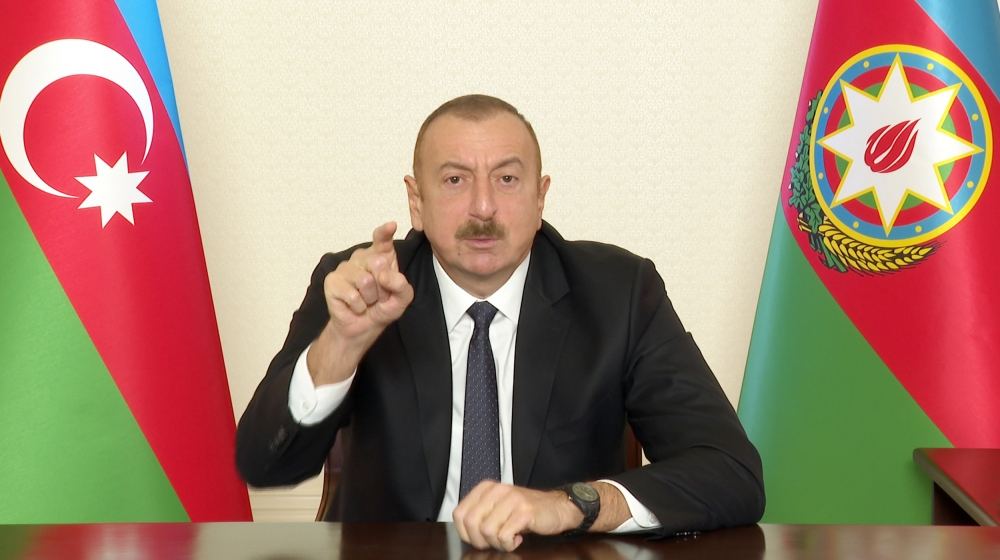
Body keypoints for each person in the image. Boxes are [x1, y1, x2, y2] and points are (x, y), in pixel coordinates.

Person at [236, 94, 764, 551]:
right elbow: (264, 464)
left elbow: (731, 473)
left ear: (540, 196)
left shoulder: (618, 293)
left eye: (507, 179)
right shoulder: (360, 284)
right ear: (417, 201)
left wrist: (573, 504)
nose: (483, 207)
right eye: (455, 180)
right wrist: (342, 344)